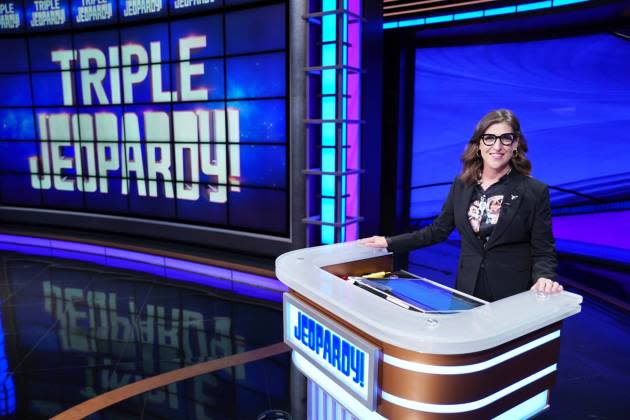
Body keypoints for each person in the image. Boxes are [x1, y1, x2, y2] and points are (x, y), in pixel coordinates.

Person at [360, 109, 563, 302]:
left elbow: (543, 249)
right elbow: (437, 231)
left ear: (515, 143)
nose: (497, 146)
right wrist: (388, 242)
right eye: (489, 138)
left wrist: (544, 277)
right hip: (467, 288)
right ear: (479, 144)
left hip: (512, 292)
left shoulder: (535, 191)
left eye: (506, 138)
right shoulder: (462, 185)